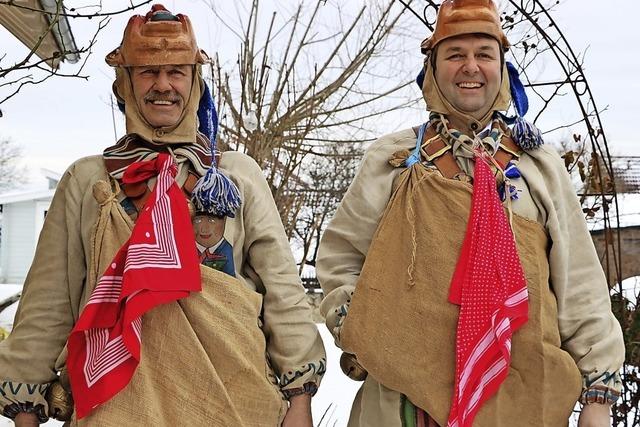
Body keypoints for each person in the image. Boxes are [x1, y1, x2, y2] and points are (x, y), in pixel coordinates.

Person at [0, 4, 325, 426]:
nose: (163, 86)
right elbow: (49, 301)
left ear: (195, 83)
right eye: (149, 72)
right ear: (124, 83)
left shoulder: (234, 176)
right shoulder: (87, 181)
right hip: (118, 406)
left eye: (177, 72)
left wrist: (299, 397)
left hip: (233, 400)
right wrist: (26, 402)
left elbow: (282, 290)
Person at [317, 0, 624, 426]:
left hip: (518, 396)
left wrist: (599, 394)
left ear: (502, 66)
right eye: (455, 54)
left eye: (483, 54)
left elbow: (580, 286)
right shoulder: (392, 160)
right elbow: (341, 256)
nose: (470, 67)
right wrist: (361, 328)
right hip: (402, 402)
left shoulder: (538, 168)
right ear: (433, 68)